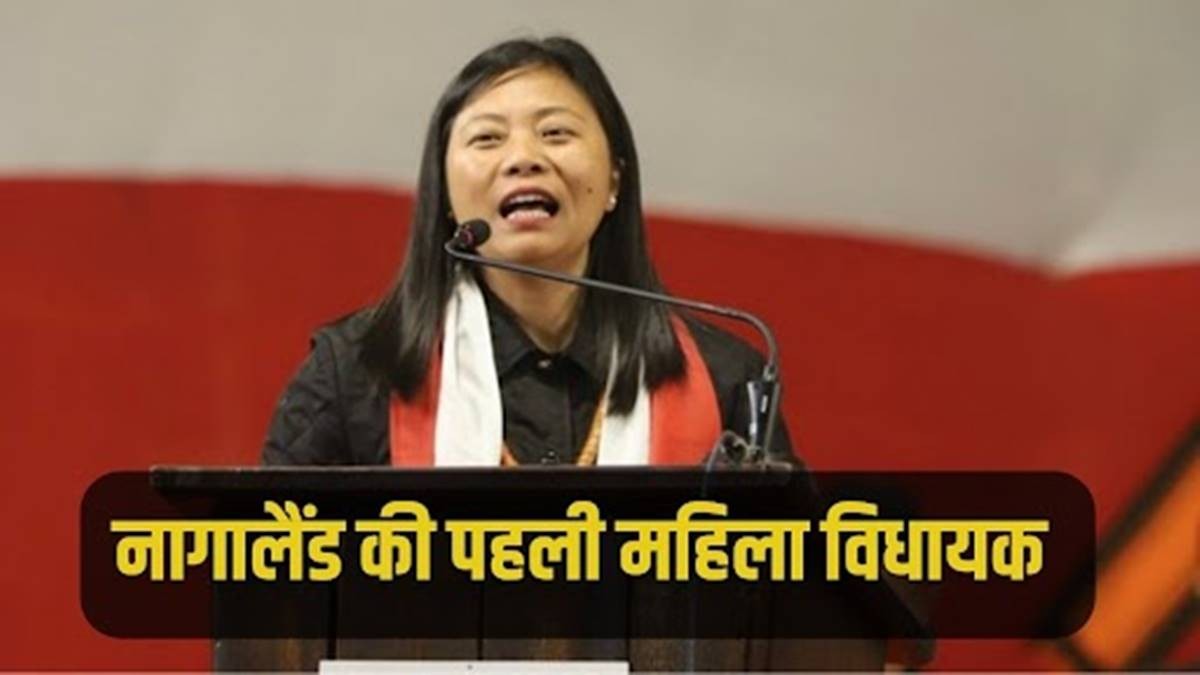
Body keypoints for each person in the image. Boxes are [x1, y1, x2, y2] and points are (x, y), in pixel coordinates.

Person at [262, 36, 796, 467]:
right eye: (487, 139)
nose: (523, 157)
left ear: (614, 181)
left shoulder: (725, 381)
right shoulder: (355, 376)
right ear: (445, 193)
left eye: (556, 133)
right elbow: (266, 556)